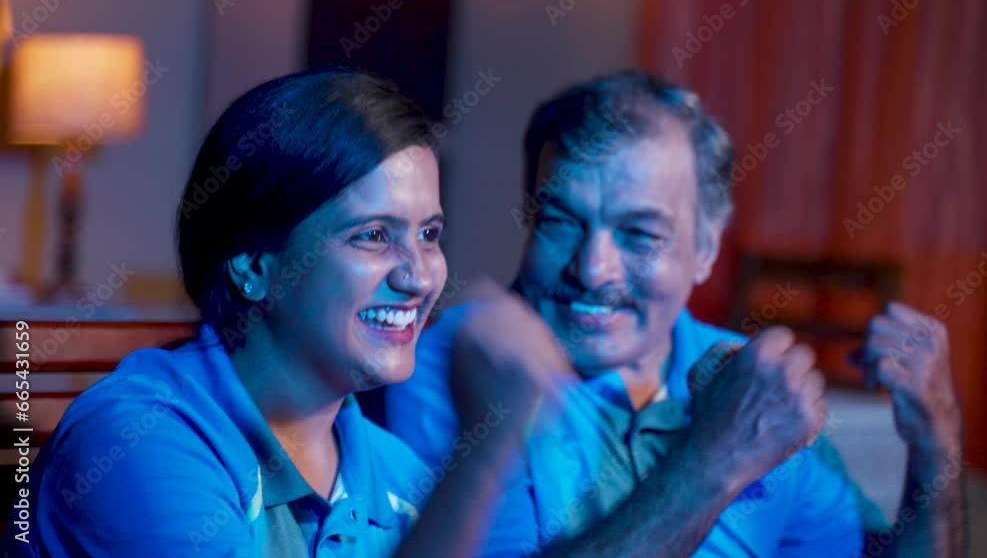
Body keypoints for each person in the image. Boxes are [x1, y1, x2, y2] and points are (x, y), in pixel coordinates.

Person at [387, 71, 966, 557]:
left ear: (707, 246)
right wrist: (719, 455)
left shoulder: (747, 376)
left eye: (640, 234)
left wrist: (936, 440)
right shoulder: (463, 362)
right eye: (561, 221)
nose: (592, 270)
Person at [1, 66, 568, 557]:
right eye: (373, 235)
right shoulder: (131, 443)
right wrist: (482, 458)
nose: (419, 276)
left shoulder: (397, 477)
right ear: (252, 264)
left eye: (429, 233)